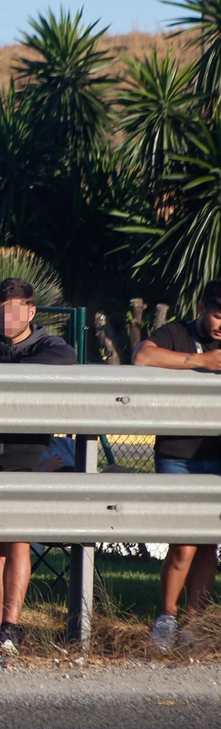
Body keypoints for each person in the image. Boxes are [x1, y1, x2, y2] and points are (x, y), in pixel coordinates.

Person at [0, 278, 76, 653]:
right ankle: (0, 627)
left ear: (30, 311)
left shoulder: (50, 346)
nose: (6, 318)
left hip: (23, 457)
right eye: (0, 310)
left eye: (14, 310)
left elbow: (64, 361)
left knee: (17, 541)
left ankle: (12, 623)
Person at [131, 278, 221, 652]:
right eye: (218, 314)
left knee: (207, 546)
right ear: (203, 308)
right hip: (178, 454)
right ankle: (166, 619)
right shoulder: (178, 333)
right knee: (182, 544)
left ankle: (194, 624)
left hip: (216, 456)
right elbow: (142, 356)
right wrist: (202, 362)